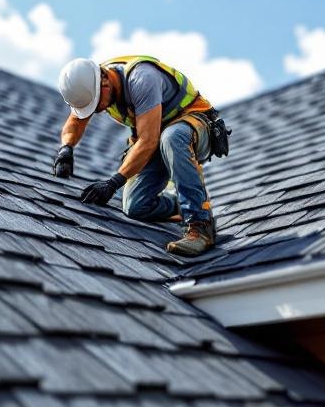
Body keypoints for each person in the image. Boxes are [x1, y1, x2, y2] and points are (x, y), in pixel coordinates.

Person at [52, 55, 219, 256]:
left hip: (194, 128)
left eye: (96, 104)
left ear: (105, 80)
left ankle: (200, 226)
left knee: (172, 137)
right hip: (157, 136)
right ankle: (182, 201)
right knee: (135, 206)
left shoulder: (141, 79)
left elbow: (148, 141)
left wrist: (113, 183)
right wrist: (65, 150)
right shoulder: (92, 85)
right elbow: (75, 122)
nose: (96, 111)